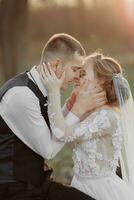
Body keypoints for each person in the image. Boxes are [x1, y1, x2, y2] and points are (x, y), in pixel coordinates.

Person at [0, 33, 106, 200]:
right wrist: (78, 109)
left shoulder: (42, 88)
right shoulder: (21, 96)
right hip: (14, 189)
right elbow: (49, 150)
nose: (77, 77)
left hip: (37, 184)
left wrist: (71, 104)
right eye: (75, 70)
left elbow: (53, 127)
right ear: (57, 64)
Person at [41, 52, 134, 200]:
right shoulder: (90, 111)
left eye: (83, 73)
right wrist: (74, 101)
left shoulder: (107, 117)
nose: (77, 77)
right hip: (79, 185)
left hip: (100, 192)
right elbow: (59, 125)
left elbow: (61, 133)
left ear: (101, 81)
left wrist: (53, 91)